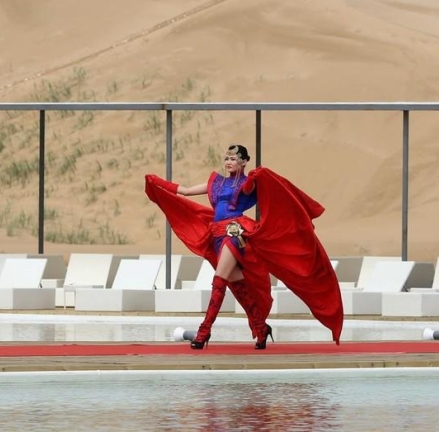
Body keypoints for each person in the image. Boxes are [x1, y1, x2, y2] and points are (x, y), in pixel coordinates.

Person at [145, 144, 343, 350]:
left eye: (234, 158)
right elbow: (185, 191)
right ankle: (261, 327)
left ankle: (204, 331)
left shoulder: (247, 183)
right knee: (236, 284)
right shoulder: (216, 182)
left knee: (219, 280)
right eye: (227, 158)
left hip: (234, 231)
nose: (229, 162)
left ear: (244, 162)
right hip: (216, 234)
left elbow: (251, 187)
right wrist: (156, 181)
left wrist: (257, 175)